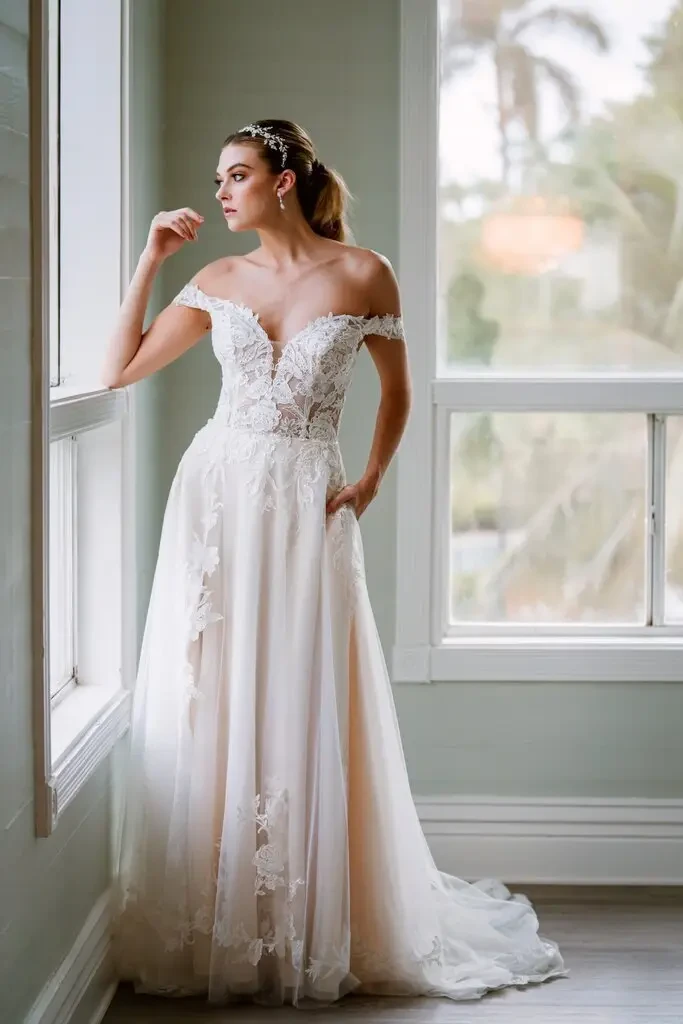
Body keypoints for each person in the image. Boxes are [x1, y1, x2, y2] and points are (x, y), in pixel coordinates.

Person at [104, 119, 569, 1008]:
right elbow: (120, 368)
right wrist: (151, 260)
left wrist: (371, 479)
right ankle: (217, 917)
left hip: (304, 502)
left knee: (304, 689)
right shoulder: (215, 279)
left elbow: (397, 392)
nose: (220, 192)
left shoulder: (363, 273)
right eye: (216, 178)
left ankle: (307, 918)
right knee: (217, 686)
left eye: (235, 175)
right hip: (216, 501)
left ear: (283, 182)